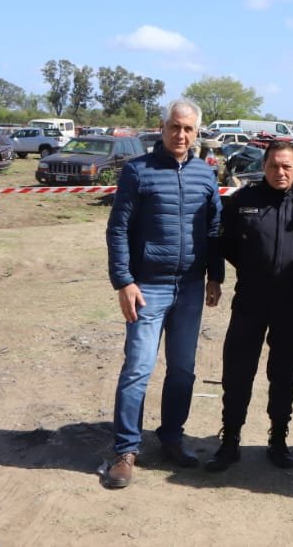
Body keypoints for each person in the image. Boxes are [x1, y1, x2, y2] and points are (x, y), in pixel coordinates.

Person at [104, 98, 223, 489]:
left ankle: (172, 437)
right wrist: (124, 281)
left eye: (189, 129)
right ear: (162, 126)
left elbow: (214, 230)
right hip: (147, 288)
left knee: (183, 371)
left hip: (189, 288)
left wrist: (215, 276)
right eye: (176, 127)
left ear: (197, 132)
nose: (182, 135)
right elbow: (118, 229)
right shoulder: (137, 172)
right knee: (138, 368)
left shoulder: (206, 176)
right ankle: (125, 450)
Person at [205, 140, 293, 471]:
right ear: (264, 166)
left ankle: (278, 440)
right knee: (237, 372)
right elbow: (225, 243)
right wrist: (251, 268)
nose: (280, 172)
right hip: (250, 300)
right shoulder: (242, 201)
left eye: (287, 166)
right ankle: (230, 440)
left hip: (292, 303)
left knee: (284, 375)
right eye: (274, 165)